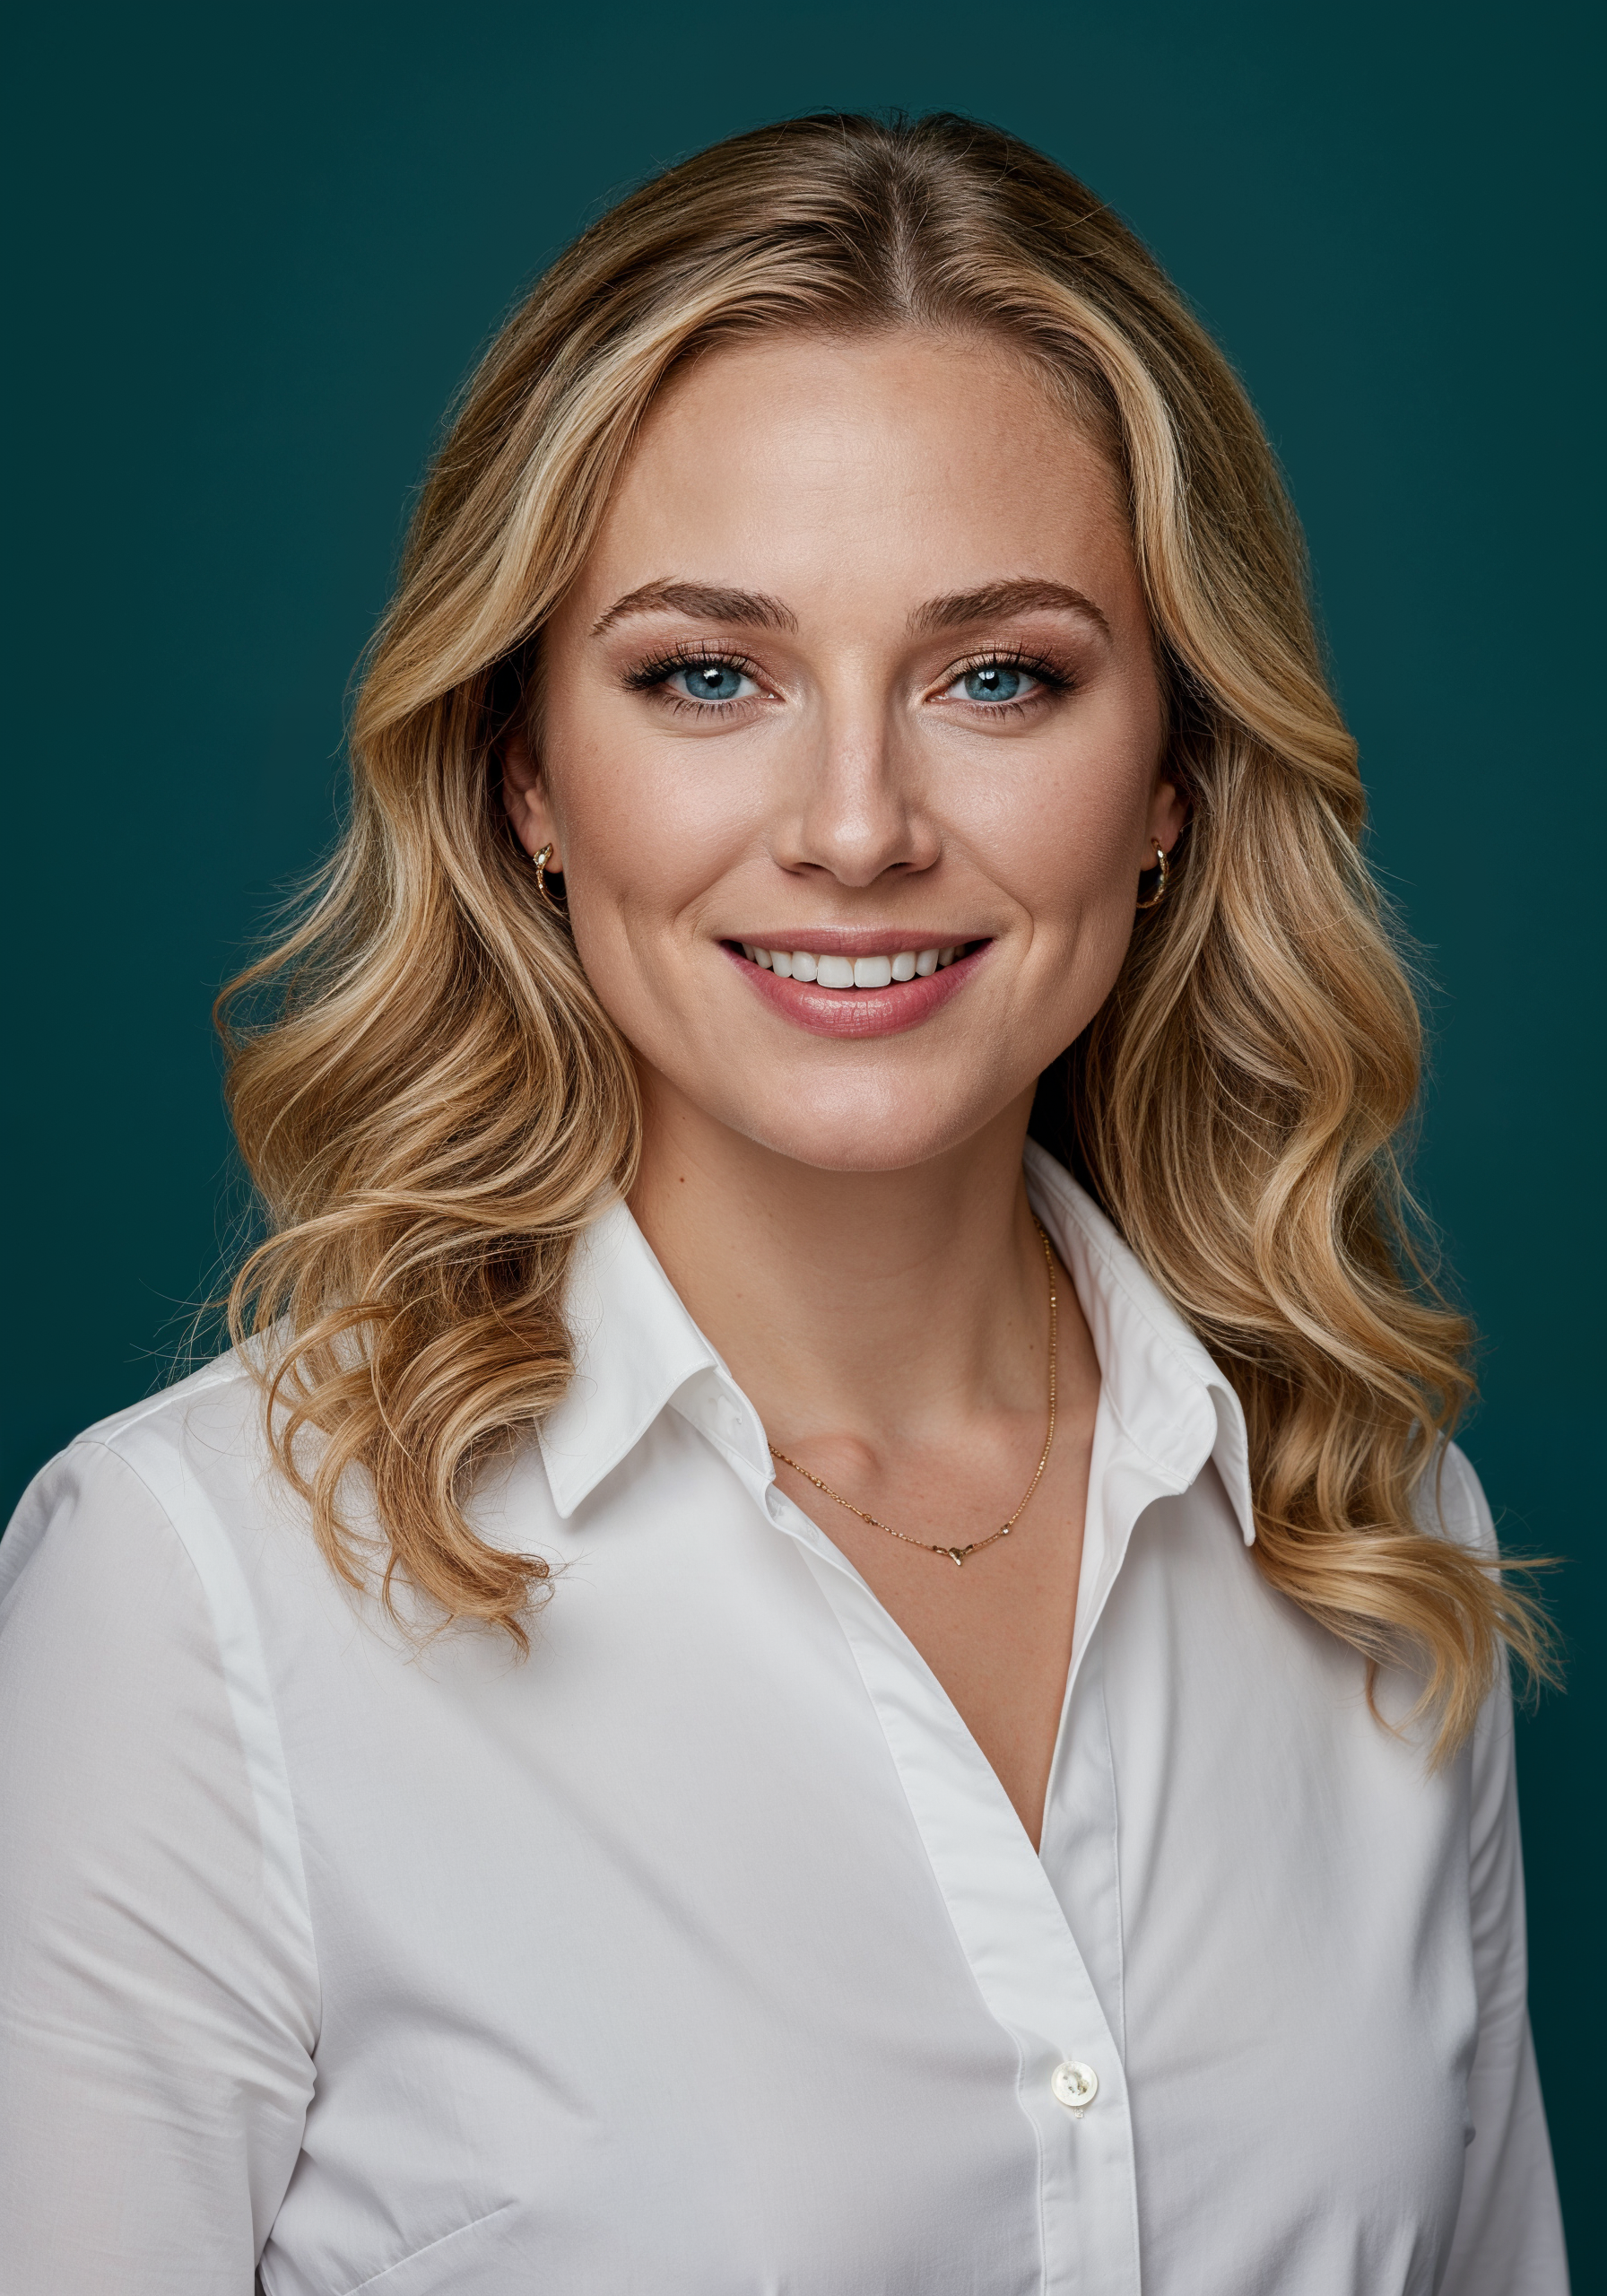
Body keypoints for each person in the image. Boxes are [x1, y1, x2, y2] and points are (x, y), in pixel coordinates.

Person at [0, 112, 1568, 2294]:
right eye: (704, 674)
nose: (853, 826)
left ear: (1172, 780)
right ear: (525, 772)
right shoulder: (196, 1598)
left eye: (997, 674)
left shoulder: (1372, 1531)